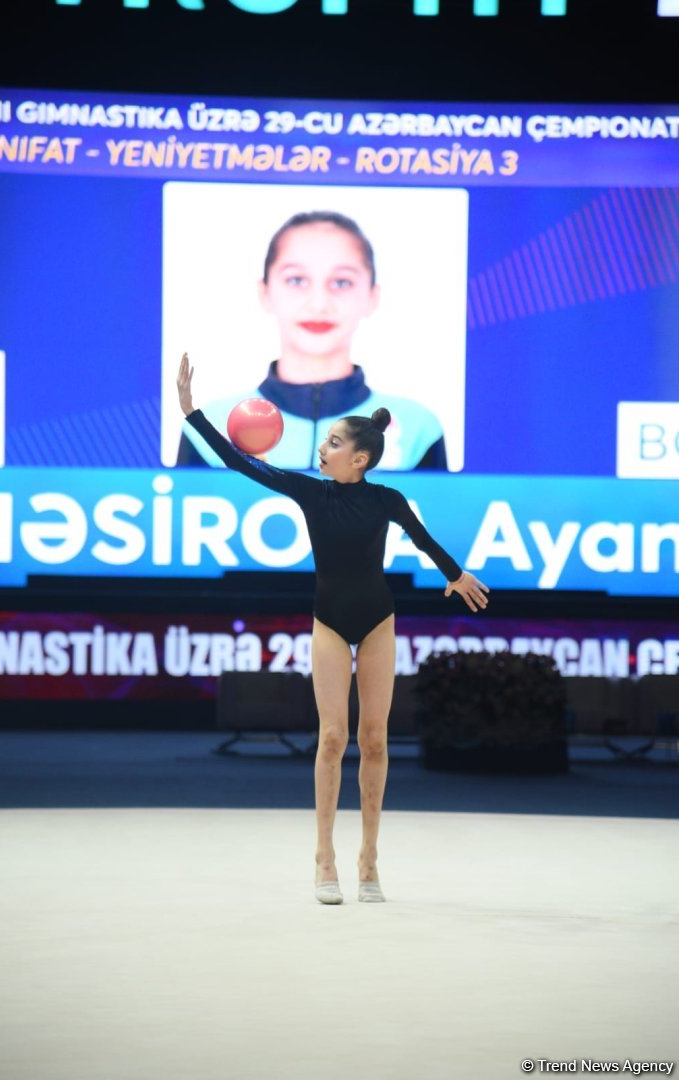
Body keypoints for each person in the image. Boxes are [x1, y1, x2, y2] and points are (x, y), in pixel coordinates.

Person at [177, 353, 488, 905]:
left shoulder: (386, 499)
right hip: (328, 622)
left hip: (377, 622)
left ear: (360, 459)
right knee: (332, 738)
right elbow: (241, 464)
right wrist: (191, 413)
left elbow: (422, 538)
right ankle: (325, 856)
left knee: (374, 740)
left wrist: (455, 575)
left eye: (334, 444)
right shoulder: (310, 492)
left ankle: (369, 857)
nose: (323, 448)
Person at [177, 210, 450, 472]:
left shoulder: (418, 430)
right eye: (296, 280)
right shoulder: (209, 428)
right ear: (265, 292)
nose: (319, 304)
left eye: (342, 282)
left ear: (372, 296)